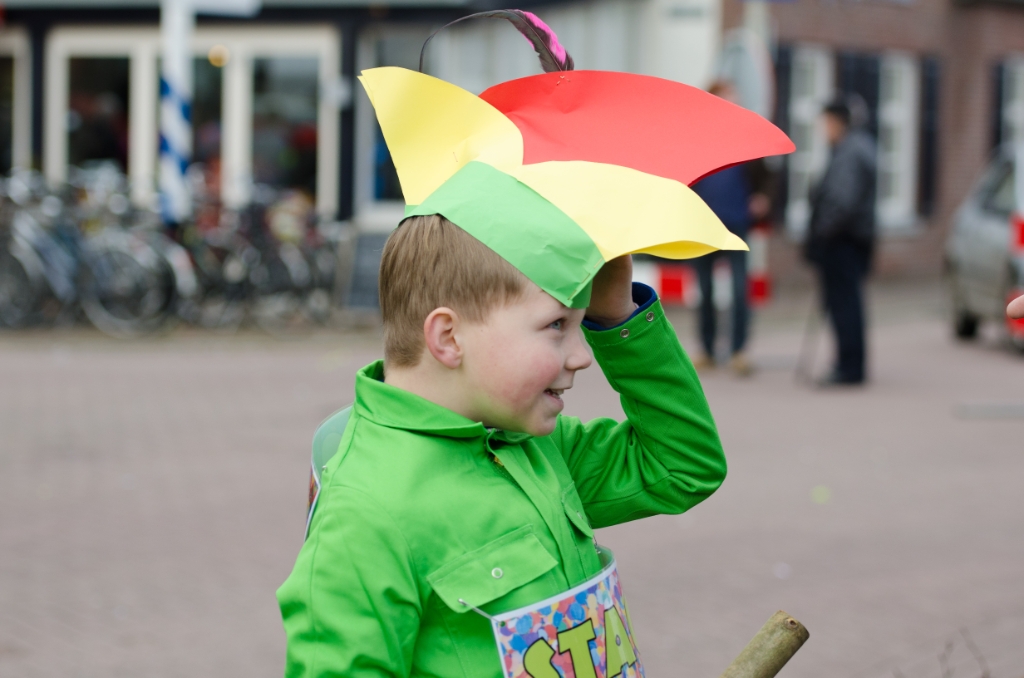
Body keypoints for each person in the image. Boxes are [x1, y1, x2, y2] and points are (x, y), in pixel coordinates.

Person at [275, 26, 792, 674]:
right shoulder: (367, 513)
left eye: (581, 327)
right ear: (448, 336)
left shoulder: (539, 448)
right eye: (556, 327)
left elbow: (683, 466)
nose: (581, 356)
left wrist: (617, 315)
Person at [690, 81, 774, 376]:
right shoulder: (696, 140)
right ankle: (707, 349)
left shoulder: (746, 139)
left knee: (740, 290)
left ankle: (739, 351)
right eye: (729, 101)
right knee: (704, 290)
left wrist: (763, 197)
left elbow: (767, 176)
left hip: (737, 225)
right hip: (702, 225)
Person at [804, 96, 877, 386]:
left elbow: (842, 202)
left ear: (837, 122)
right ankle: (850, 363)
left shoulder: (850, 153)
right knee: (847, 303)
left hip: (842, 242)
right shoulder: (855, 148)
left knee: (844, 304)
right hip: (849, 239)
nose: (824, 129)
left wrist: (822, 231)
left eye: (826, 123)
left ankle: (849, 367)